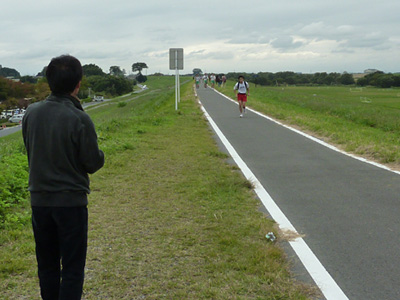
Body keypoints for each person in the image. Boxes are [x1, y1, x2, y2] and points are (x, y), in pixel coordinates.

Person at [22, 55, 105, 300]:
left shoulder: (31, 113)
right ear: (78, 84)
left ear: (49, 81)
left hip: (39, 201)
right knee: (72, 267)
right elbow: (92, 163)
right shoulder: (79, 118)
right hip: (70, 203)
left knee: (46, 266)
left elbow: (31, 149)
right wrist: (100, 154)